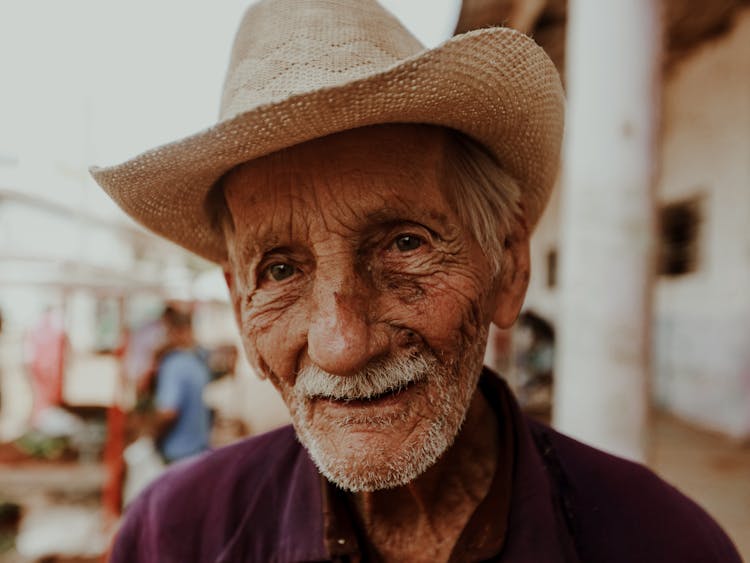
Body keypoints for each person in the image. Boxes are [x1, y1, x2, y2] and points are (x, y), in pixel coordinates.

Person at [92, 0, 740, 561]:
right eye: (282, 269)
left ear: (509, 262)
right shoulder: (171, 536)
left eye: (406, 243)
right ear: (241, 308)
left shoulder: (666, 543)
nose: (342, 344)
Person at [152, 308, 211, 463]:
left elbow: (168, 412)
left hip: (176, 452)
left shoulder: (173, 364)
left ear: (175, 331)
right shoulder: (199, 360)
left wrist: (152, 436)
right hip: (199, 448)